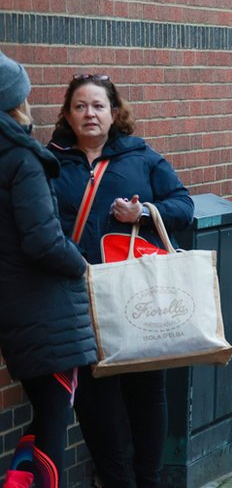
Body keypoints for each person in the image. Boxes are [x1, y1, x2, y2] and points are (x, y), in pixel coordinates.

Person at [48, 74, 194, 488]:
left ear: (114, 113)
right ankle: (114, 480)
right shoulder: (51, 162)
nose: (89, 113)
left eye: (97, 106)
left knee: (146, 393)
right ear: (67, 114)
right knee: (95, 398)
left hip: (136, 297)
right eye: (80, 106)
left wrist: (144, 212)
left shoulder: (141, 158)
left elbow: (182, 205)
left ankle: (148, 479)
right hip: (79, 297)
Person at [0, 53, 96, 488]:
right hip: (45, 312)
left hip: (16, 309)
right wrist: (82, 265)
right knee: (54, 424)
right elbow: (43, 241)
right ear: (15, 102)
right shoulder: (22, 160)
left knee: (44, 415)